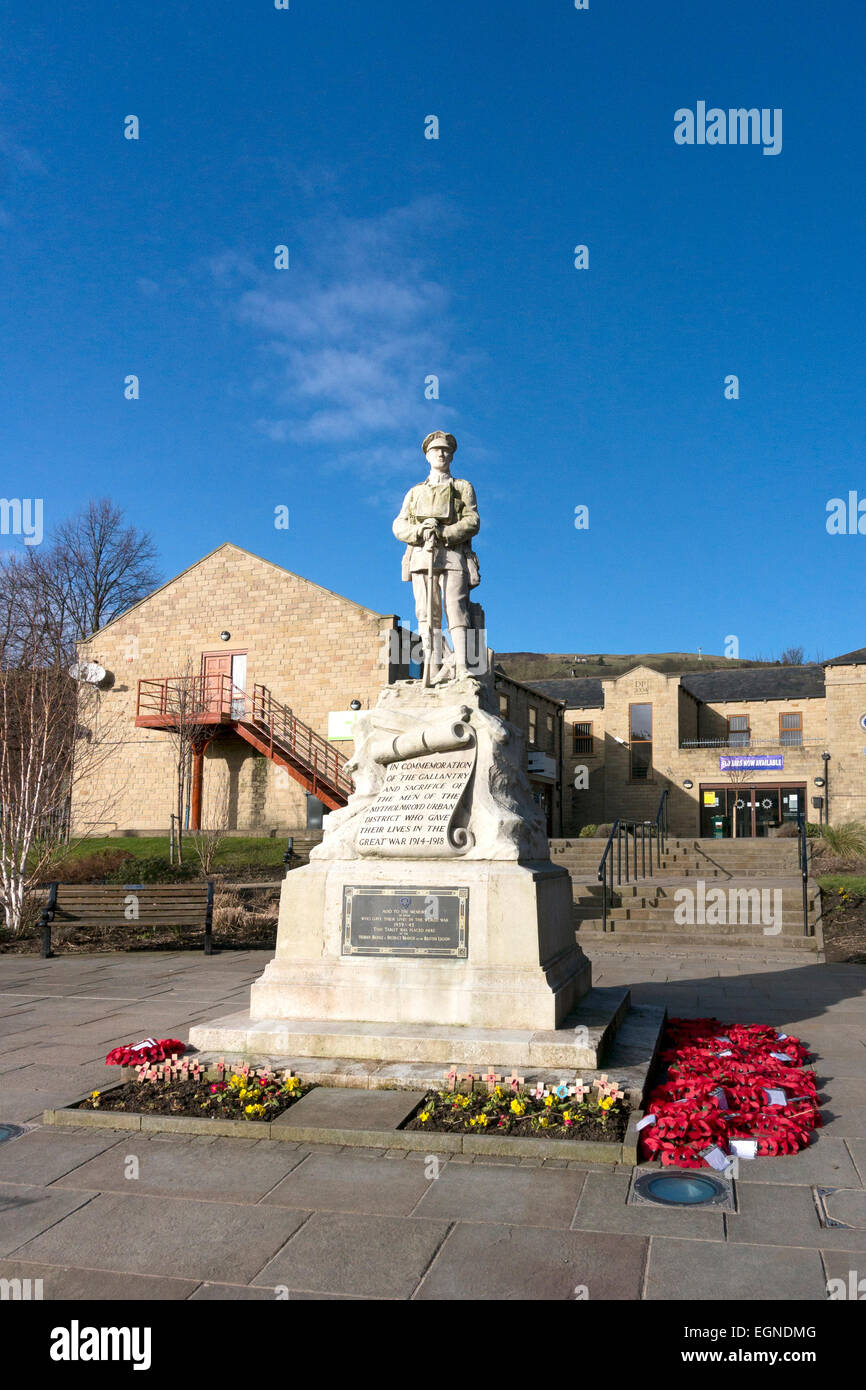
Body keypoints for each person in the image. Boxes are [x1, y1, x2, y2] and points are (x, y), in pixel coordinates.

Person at [392, 431, 481, 681]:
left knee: (456, 607)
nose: (441, 453)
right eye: (436, 450)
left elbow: (472, 520)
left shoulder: (462, 487)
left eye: (445, 450)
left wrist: (445, 532)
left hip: (453, 554)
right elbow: (399, 525)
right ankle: (430, 667)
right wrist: (419, 530)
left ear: (451, 455)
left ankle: (462, 666)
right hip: (422, 555)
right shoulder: (414, 492)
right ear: (427, 456)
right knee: (427, 614)